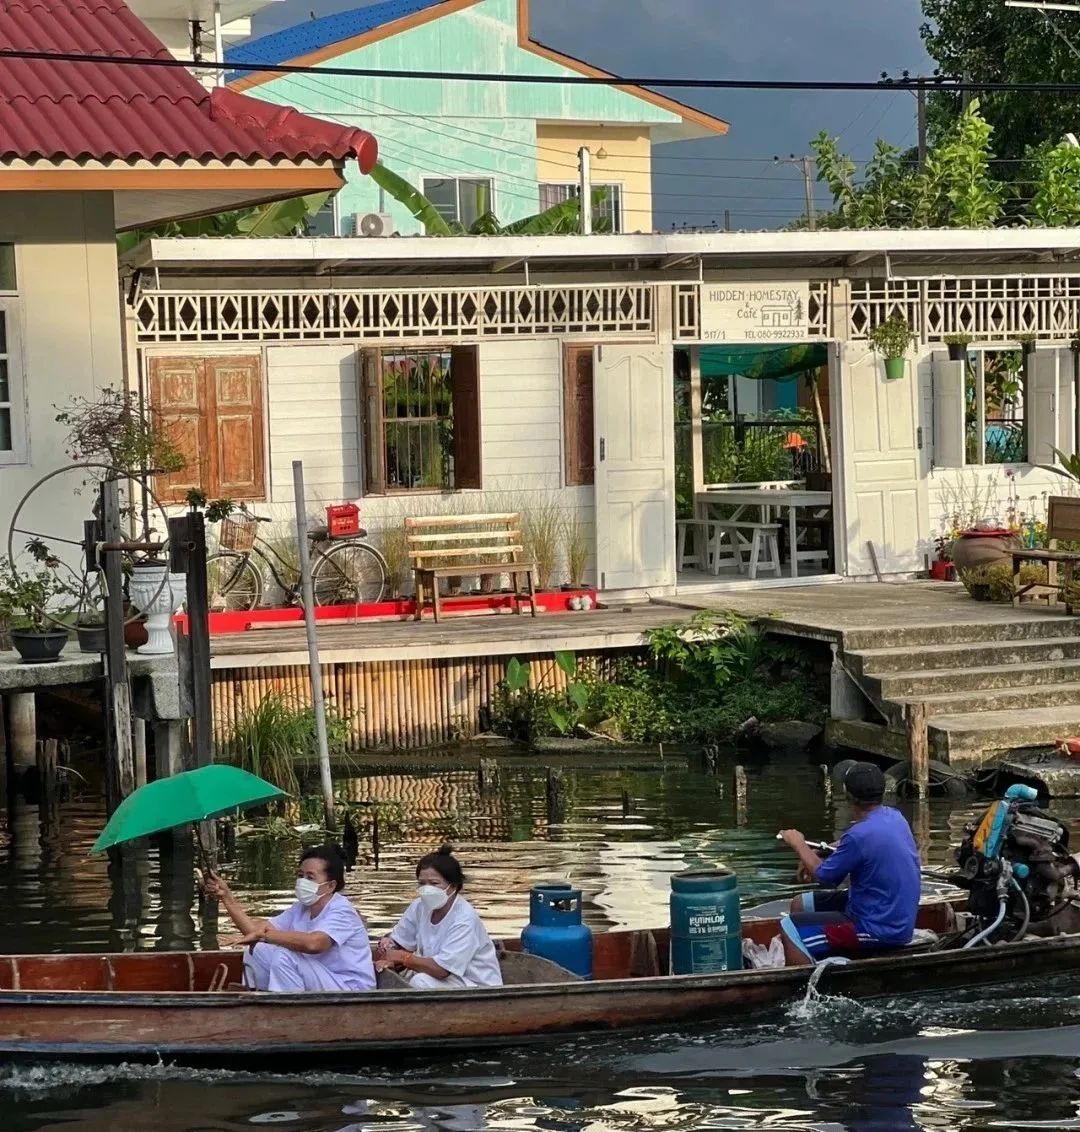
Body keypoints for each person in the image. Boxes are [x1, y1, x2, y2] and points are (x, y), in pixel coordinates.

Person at [777, 761, 921, 966]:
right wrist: (818, 849)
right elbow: (850, 844)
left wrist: (799, 845)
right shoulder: (895, 817)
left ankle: (801, 990)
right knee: (800, 904)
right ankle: (819, 956)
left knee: (789, 927)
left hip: (878, 929)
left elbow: (825, 877)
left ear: (847, 795)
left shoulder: (859, 836)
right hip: (882, 912)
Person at [204, 844, 376, 992]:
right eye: (301, 875)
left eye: (310, 877)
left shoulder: (342, 911)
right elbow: (253, 932)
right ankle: (260, 999)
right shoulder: (301, 908)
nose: (303, 881)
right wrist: (226, 897)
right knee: (258, 949)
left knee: (285, 956)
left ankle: (284, 1013)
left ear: (331, 885)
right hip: (320, 977)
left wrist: (265, 936)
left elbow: (314, 943)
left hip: (350, 986)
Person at [374, 844, 503, 989]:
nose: (427, 889)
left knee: (420, 981)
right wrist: (388, 948)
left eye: (434, 883)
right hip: (437, 975)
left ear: (453, 886)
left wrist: (403, 958)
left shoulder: (464, 919)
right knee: (389, 973)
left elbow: (442, 970)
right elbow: (401, 942)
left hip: (473, 984)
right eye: (422, 884)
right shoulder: (419, 906)